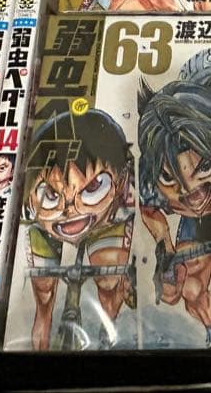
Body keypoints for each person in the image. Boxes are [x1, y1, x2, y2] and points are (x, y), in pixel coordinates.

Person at [137, 48, 211, 344]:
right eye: (171, 178)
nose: (189, 191)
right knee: (190, 288)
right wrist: (166, 250)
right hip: (200, 223)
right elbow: (149, 208)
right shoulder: (156, 153)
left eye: (204, 168)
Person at [24, 108, 134, 351]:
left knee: (108, 283)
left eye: (92, 188)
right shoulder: (33, 212)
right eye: (51, 194)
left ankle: (107, 330)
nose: (70, 211)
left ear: (121, 181)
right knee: (43, 297)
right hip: (47, 229)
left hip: (105, 221)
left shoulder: (122, 200)